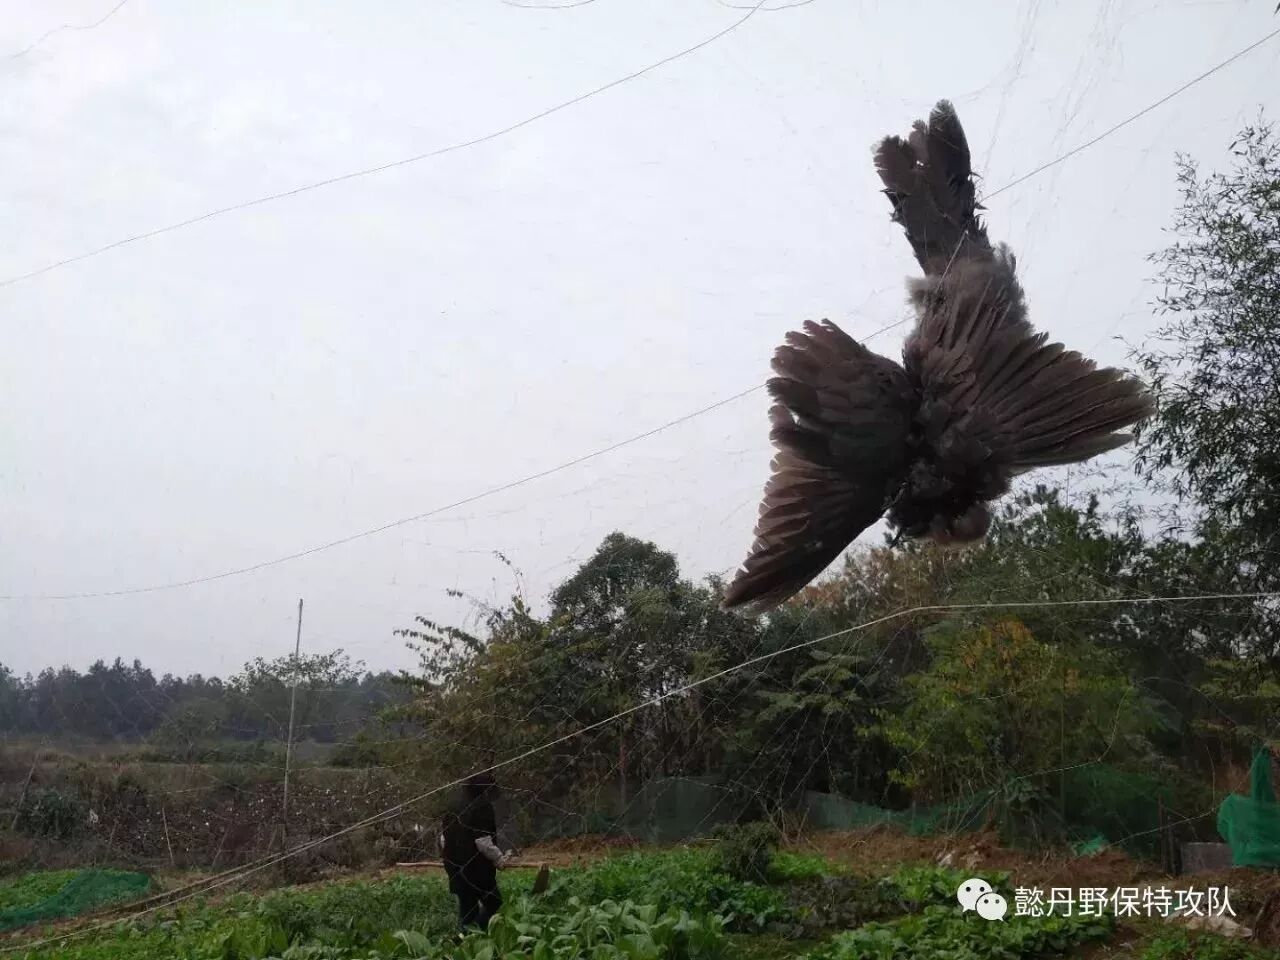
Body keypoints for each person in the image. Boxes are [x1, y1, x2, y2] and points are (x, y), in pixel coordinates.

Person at [438, 773, 512, 932]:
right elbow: (482, 841)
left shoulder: (453, 805)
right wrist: (499, 859)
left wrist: (450, 856)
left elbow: (443, 839)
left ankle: (463, 938)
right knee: (493, 902)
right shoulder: (481, 806)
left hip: (454, 866)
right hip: (476, 869)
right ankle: (472, 933)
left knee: (468, 907)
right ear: (485, 789)